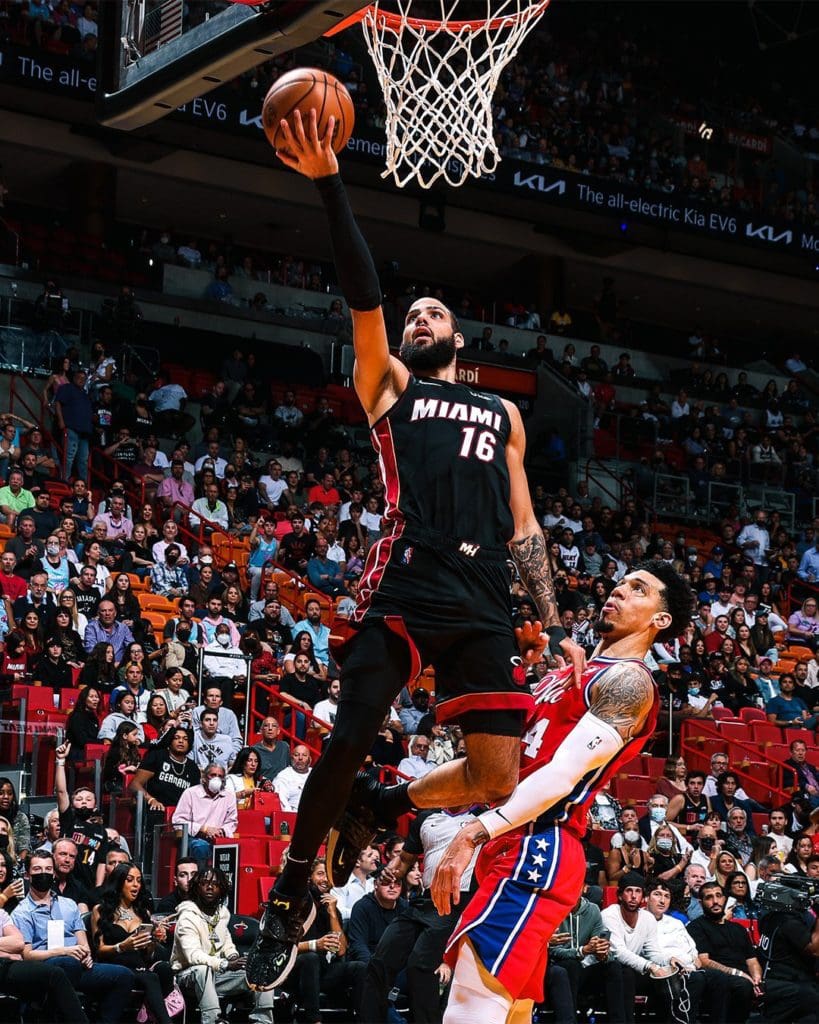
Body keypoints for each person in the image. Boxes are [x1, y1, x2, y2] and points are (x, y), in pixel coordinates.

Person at [246, 108, 586, 990]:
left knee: (493, 775)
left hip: (481, 598)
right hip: (405, 578)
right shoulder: (387, 386)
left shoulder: (502, 414)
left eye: (437, 312)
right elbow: (362, 293)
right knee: (351, 731)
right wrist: (328, 179)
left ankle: (385, 805)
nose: (422, 316)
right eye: (414, 314)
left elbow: (524, 526)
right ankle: (289, 891)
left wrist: (551, 620)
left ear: (461, 340)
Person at [425, 562, 692, 1024]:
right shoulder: (566, 672)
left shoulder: (628, 680)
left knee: (471, 999)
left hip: (540, 839)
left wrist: (474, 831)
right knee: (507, 1010)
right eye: (618, 583)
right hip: (511, 834)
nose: (618, 591)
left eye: (637, 589)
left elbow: (562, 775)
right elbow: (499, 756)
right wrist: (516, 673)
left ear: (660, 620)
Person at [11, 849, 133, 1024]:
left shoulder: (69, 905)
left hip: (77, 966)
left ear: (53, 872)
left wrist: (87, 956)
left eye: (47, 869)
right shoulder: (21, 912)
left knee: (123, 975)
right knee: (64, 964)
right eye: (37, 869)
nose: (43, 873)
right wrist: (64, 951)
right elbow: (28, 955)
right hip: (44, 968)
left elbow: (83, 944)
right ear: (28, 874)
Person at [171, 867, 275, 1024]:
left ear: (222, 889)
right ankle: (213, 1020)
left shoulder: (222, 913)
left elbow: (226, 942)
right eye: (205, 883)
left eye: (215, 883)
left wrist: (234, 957)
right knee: (202, 969)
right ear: (196, 887)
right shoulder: (187, 916)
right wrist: (226, 964)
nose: (210, 887)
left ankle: (263, 1020)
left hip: (218, 976)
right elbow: (193, 956)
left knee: (260, 969)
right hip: (187, 977)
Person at [90, 862, 175, 1024]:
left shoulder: (144, 913)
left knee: (157, 971)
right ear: (119, 882)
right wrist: (122, 946)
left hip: (140, 967)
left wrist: (154, 940)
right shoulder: (100, 910)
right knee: (150, 978)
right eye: (130, 880)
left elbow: (148, 953)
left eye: (138, 880)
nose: (136, 885)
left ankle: (150, 1012)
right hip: (113, 967)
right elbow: (99, 950)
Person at [686, 881, 763, 1022]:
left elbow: (751, 960)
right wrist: (739, 974)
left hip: (746, 977)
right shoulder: (696, 927)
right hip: (719, 979)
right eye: (709, 897)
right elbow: (704, 961)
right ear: (700, 902)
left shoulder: (738, 928)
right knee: (742, 986)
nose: (715, 901)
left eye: (718, 896)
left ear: (724, 898)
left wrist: (757, 979)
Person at [54, 741, 110, 890]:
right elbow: (61, 792)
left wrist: (98, 888)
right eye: (79, 799)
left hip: (89, 885)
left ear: (95, 805)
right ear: (72, 805)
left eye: (88, 799)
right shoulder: (69, 820)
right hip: (69, 882)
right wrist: (60, 761)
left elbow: (102, 862)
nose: (84, 802)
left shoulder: (101, 831)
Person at [171, 763, 238, 866]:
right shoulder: (190, 793)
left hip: (218, 838)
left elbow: (232, 821)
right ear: (205, 778)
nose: (216, 779)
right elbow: (178, 821)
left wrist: (222, 830)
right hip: (194, 838)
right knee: (200, 846)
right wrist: (204, 829)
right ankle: (201, 881)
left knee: (236, 848)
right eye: (213, 775)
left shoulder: (229, 796)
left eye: (220, 776)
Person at [273, 743, 313, 813]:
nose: (300, 758)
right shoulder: (284, 776)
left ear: (310, 759)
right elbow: (282, 803)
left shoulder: (314, 773)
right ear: (291, 758)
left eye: (304, 755)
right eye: (296, 755)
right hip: (294, 816)